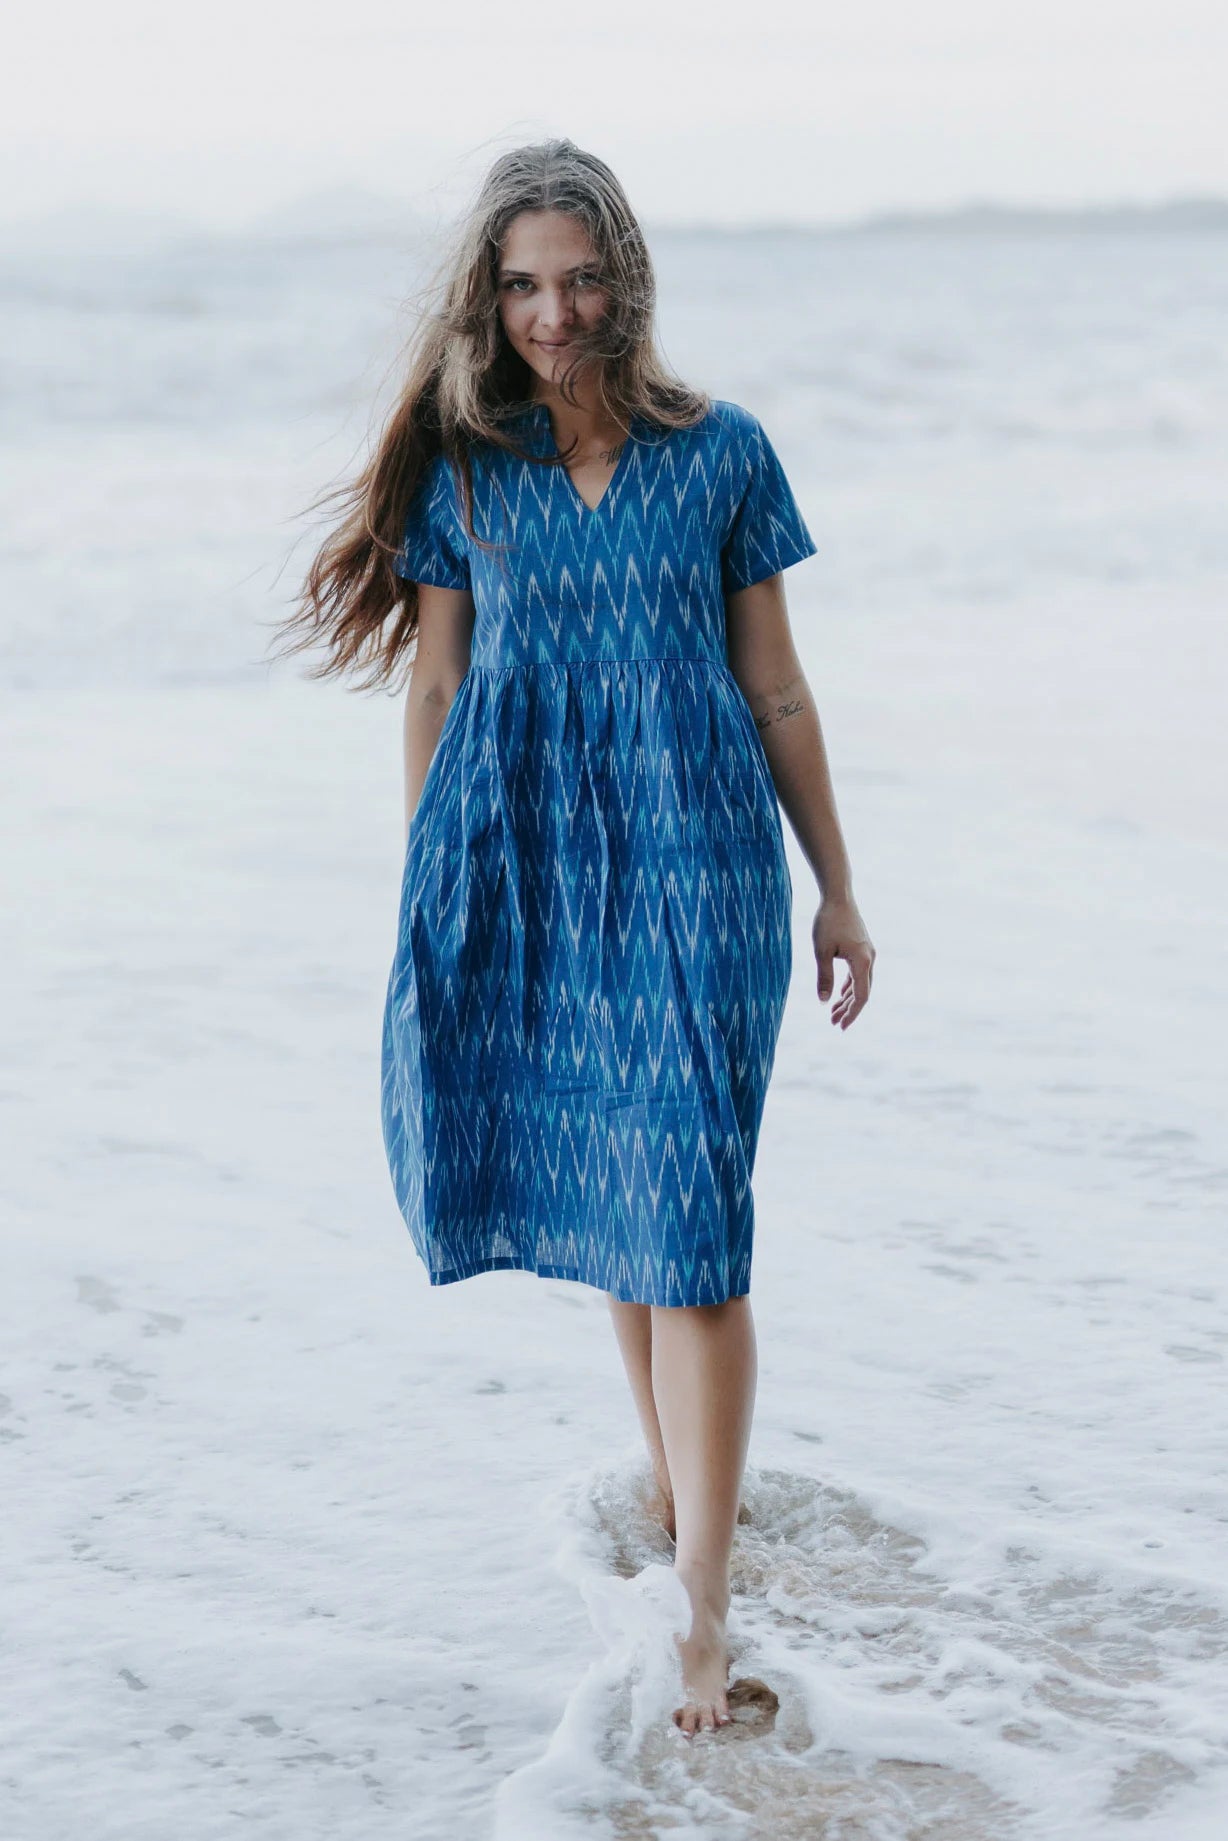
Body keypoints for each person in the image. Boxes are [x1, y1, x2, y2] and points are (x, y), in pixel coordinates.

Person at [275, 137, 875, 1739]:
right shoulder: (471, 471)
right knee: (631, 1218)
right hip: (534, 867)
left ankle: (699, 1614)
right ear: (493, 293)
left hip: (700, 872)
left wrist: (839, 882)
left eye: (581, 277)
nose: (554, 313)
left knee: (692, 1226)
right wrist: (431, 882)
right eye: (525, 284)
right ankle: (690, 1537)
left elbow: (780, 687)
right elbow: (435, 685)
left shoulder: (725, 452)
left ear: (629, 278)